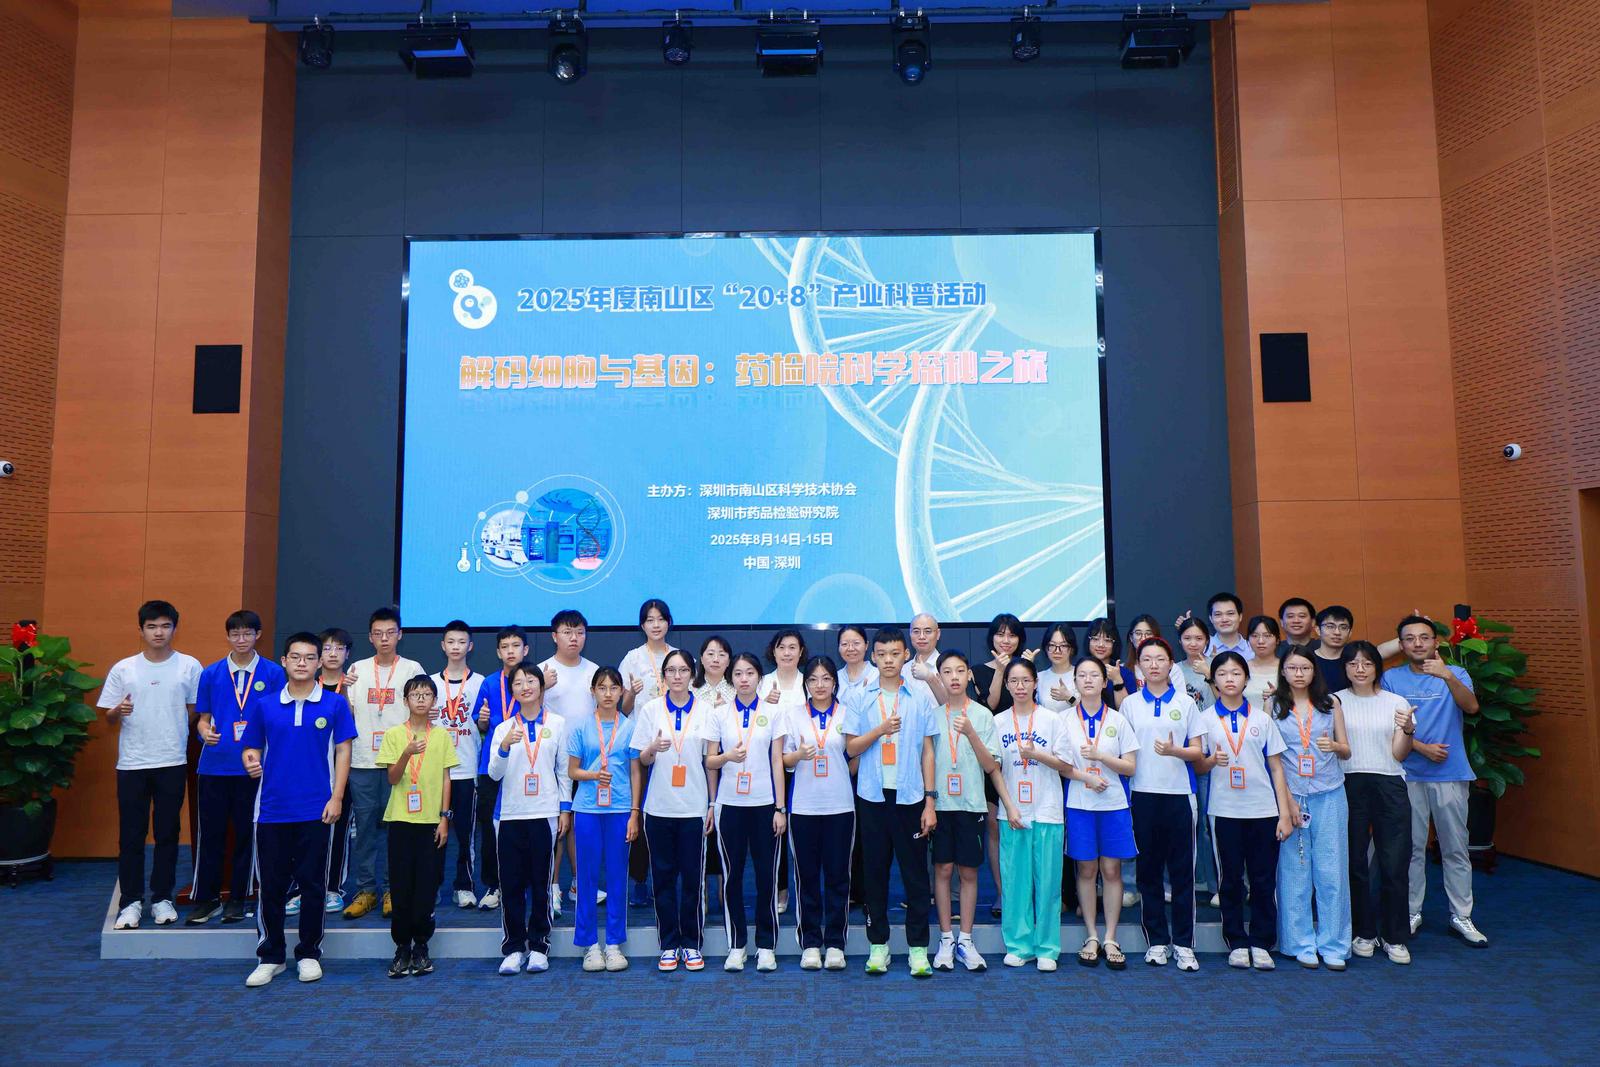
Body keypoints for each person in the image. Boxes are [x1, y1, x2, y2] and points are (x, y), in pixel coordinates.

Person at [242, 632, 355, 987]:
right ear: (284, 661)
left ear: (319, 662)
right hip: (271, 810)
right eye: (295, 657)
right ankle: (270, 956)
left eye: (309, 657)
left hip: (317, 810)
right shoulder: (264, 705)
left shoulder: (334, 704)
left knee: (313, 885)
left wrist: (337, 797)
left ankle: (308, 953)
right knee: (271, 887)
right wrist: (250, 760)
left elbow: (343, 751)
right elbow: (251, 747)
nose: (302, 663)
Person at [99, 599, 202, 930]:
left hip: (172, 760)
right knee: (131, 835)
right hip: (132, 764)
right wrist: (117, 712)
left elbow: (194, 711)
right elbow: (108, 717)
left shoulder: (189, 666)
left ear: (175, 628)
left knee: (167, 833)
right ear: (141, 630)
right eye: (152, 626)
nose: (159, 632)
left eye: (165, 626)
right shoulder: (124, 668)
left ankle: (162, 898)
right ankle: (130, 902)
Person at [1384, 615, 1487, 948]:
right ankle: (1411, 911)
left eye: (1424, 637)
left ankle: (1461, 916)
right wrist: (1422, 748)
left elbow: (1471, 707)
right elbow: (1385, 725)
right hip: (1407, 774)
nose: (1418, 643)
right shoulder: (1391, 678)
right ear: (1401, 645)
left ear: (1435, 642)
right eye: (1410, 638)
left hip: (1450, 774)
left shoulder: (1455, 673)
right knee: (1411, 848)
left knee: (1455, 848)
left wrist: (1446, 676)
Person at [843, 628, 940, 977]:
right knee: (874, 874)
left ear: (905, 656)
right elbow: (851, 747)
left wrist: (930, 801)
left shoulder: (920, 696)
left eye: (895, 654)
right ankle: (878, 945)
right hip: (872, 797)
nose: (888, 660)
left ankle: (918, 949)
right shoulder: (859, 696)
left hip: (911, 796)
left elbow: (928, 751)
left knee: (916, 876)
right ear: (873, 657)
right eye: (882, 654)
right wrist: (880, 730)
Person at [1196, 651, 1297, 970]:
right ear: (1213, 680)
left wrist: (1284, 813)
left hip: (1263, 810)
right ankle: (1236, 941)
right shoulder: (1204, 719)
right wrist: (1210, 761)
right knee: (1230, 879)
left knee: (1263, 878)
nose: (1229, 679)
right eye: (1222, 674)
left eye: (1236, 673)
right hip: (1224, 810)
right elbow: (1198, 766)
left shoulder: (1262, 719)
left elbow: (1277, 768)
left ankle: (1262, 942)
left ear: (1246, 679)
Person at [188, 609, 284, 926]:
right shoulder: (211, 674)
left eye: (247, 633)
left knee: (247, 835)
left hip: (253, 769)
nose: (241, 639)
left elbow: (278, 720)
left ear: (258, 635)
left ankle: (239, 899)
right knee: (210, 835)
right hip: (214, 766)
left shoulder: (273, 673)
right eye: (235, 634)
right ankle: (207, 898)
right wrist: (204, 731)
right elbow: (202, 718)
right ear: (227, 636)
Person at [1123, 638, 1207, 971]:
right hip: (1142, 795)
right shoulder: (1130, 704)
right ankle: (1157, 941)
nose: (1154, 664)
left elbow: (1198, 751)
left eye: (1160, 659)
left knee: (1183, 873)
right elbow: (1124, 752)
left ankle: (1184, 944)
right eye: (1147, 659)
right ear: (1139, 666)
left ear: (1171, 664)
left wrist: (1175, 751)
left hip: (1179, 796)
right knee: (1149, 873)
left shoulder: (1186, 703)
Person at [631, 648, 714, 973]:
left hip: (693, 807)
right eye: (671, 671)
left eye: (683, 670)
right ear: (663, 676)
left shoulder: (706, 710)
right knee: (663, 879)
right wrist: (652, 748)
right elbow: (642, 758)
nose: (677, 676)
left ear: (692, 674)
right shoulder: (651, 709)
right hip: (659, 808)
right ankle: (668, 944)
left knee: (693, 879)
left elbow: (710, 763)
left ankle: (691, 943)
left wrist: (711, 804)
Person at [488, 663, 572, 976]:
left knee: (541, 883)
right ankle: (513, 948)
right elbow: (494, 773)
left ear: (541, 685)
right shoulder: (503, 728)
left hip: (545, 813)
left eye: (531, 681)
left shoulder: (558, 724)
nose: (525, 687)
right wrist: (505, 747)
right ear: (512, 691)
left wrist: (565, 809)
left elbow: (563, 770)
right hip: (510, 815)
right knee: (510, 884)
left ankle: (539, 946)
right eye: (518, 683)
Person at [341, 607, 424, 920]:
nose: (384, 639)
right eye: (378, 633)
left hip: (398, 762)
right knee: (364, 830)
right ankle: (366, 890)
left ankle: (393, 889)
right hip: (363, 761)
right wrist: (342, 687)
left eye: (390, 633)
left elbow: (422, 711)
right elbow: (347, 712)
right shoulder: (357, 669)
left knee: (396, 831)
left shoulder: (412, 668)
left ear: (400, 634)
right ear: (370, 637)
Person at [1272, 645, 1352, 969]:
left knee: (1332, 869)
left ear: (1314, 671)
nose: (1299, 674)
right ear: (1283, 671)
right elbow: (1273, 760)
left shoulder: (1330, 703)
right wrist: (1286, 801)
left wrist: (1333, 745)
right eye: (1292, 668)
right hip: (1292, 796)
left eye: (1305, 668)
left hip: (1329, 793)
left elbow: (1346, 750)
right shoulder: (1273, 705)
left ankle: (1334, 944)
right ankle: (1299, 942)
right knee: (1295, 870)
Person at [708, 652, 789, 972]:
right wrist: (727, 757)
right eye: (738, 674)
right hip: (729, 806)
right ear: (731, 678)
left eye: (750, 673)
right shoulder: (719, 713)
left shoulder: (773, 712)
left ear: (759, 677)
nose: (744, 679)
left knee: (767, 876)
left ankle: (766, 946)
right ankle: (737, 945)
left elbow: (777, 762)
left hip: (765, 805)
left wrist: (780, 807)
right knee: (732, 877)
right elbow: (710, 761)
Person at [1060, 657, 1140, 970]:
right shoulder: (1064, 720)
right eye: (1082, 675)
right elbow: (1061, 766)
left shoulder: (1118, 720)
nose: (1089, 680)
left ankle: (1111, 937)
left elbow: (1130, 767)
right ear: (1075, 682)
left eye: (1095, 675)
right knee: (1086, 870)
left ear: (1104, 682)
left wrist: (1101, 756)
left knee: (1111, 870)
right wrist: (1086, 777)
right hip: (1079, 804)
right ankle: (1092, 935)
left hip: (1114, 805)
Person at [1339, 640, 1416, 964]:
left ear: (1377, 667)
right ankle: (1363, 931)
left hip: (1389, 783)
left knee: (1394, 862)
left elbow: (1399, 753)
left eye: (1367, 663)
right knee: (1354, 862)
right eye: (1353, 663)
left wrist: (1408, 730)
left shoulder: (1396, 702)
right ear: (1345, 668)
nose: (1360, 669)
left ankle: (1395, 936)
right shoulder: (1334, 702)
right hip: (1348, 783)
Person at [993, 658, 1071, 970]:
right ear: (1007, 685)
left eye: (1026, 680)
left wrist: (1036, 754)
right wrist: (1009, 805)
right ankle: (1019, 945)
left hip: (1048, 810)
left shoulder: (1052, 720)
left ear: (1035, 683)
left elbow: (1065, 765)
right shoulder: (998, 722)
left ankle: (1047, 949)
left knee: (1049, 884)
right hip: (1012, 813)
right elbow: (994, 770)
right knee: (1015, 883)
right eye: (1014, 681)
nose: (1020, 686)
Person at [377, 675, 457, 978]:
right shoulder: (394, 734)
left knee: (427, 885)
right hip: (400, 820)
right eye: (415, 694)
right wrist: (407, 753)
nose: (421, 699)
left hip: (431, 822)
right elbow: (392, 778)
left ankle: (421, 946)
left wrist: (444, 817)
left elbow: (446, 779)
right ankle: (402, 947)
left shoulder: (442, 736)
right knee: (401, 886)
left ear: (434, 701)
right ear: (405, 700)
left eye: (426, 694)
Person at [930, 651, 1003, 973]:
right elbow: (926, 761)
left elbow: (990, 766)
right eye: (947, 672)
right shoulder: (933, 716)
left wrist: (971, 732)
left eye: (960, 670)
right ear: (940, 678)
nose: (954, 677)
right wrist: (928, 801)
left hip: (972, 804)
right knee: (943, 869)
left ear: (969, 676)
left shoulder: (984, 715)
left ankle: (966, 940)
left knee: (969, 872)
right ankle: (946, 939)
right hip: (941, 805)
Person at [782, 655, 856, 971]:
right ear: (806, 684)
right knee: (807, 877)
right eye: (813, 679)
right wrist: (799, 754)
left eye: (826, 678)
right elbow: (784, 760)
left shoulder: (848, 713)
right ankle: (811, 943)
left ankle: (836, 943)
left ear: (835, 683)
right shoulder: (793, 715)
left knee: (839, 876)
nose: (820, 685)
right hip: (804, 807)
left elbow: (856, 755)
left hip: (840, 806)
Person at [567, 667, 638, 971]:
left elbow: (636, 772)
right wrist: (593, 775)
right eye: (602, 688)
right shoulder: (581, 727)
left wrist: (635, 812)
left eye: (613, 688)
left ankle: (613, 943)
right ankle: (589, 944)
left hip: (620, 809)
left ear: (622, 691)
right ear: (593, 691)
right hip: (587, 809)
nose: (608, 694)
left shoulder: (630, 727)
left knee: (618, 876)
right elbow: (572, 771)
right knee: (586, 877)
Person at [538, 611, 597, 916]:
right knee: (556, 825)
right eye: (567, 632)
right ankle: (552, 887)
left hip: (585, 760)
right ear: (554, 635)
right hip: (550, 760)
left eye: (580, 632)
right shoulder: (542, 671)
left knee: (579, 824)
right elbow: (524, 708)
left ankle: (578, 883)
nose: (574, 638)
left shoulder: (594, 671)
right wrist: (542, 687)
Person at [468, 625, 529, 914]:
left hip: (527, 765)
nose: (510, 651)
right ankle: (493, 885)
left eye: (516, 646)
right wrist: (482, 720)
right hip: (491, 766)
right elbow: (481, 725)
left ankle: (523, 884)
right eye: (505, 647)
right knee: (490, 829)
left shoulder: (532, 680)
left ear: (525, 650)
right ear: (498, 652)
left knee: (525, 828)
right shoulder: (489, 683)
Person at [431, 620, 484, 909]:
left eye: (461, 642)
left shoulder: (480, 683)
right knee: (433, 832)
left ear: (470, 646)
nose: (456, 647)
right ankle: (432, 885)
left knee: (465, 834)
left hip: (466, 768)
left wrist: (484, 722)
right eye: (450, 641)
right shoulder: (430, 683)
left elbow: (484, 726)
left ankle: (464, 885)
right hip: (434, 770)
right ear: (442, 645)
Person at [303, 627, 354, 915]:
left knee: (338, 831)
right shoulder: (306, 685)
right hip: (311, 768)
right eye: (327, 648)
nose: (333, 654)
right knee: (305, 831)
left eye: (339, 648)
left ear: (348, 654)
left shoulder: (355, 684)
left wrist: (348, 693)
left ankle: (333, 888)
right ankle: (301, 888)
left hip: (343, 768)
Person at [758, 630, 807, 916]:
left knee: (802, 832)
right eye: (781, 647)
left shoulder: (809, 682)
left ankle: (805, 889)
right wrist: (766, 704)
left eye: (792, 647)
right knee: (774, 830)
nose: (787, 653)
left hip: (806, 766)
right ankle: (780, 888)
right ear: (773, 652)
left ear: (801, 652)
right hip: (771, 767)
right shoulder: (762, 683)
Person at [1174, 617, 1219, 907]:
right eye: (1188, 638)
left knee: (1210, 821)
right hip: (1182, 753)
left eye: (1199, 638)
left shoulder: (1219, 666)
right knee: (1189, 822)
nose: (1193, 643)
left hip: (1213, 751)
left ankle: (1217, 885)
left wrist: (1210, 675)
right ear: (1180, 641)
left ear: (1207, 640)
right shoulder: (1173, 670)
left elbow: (1227, 699)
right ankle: (1192, 881)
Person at [620, 598, 675, 714]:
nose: (656, 625)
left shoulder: (679, 657)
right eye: (650, 620)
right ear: (643, 625)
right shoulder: (632, 658)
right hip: (642, 724)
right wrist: (632, 693)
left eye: (661, 619)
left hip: (674, 724)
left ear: (669, 622)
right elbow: (625, 710)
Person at [971, 613, 1028, 714]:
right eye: (1000, 635)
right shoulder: (978, 671)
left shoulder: (1027, 667)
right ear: (992, 637)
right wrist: (1000, 670)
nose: (1006, 641)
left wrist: (1026, 669)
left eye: (1012, 635)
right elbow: (991, 706)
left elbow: (1028, 704)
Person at [1310, 605, 1357, 693]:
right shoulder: (1307, 660)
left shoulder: (1356, 661)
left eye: (1343, 627)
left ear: (1350, 633)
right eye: (1330, 626)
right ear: (1318, 630)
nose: (1337, 632)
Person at [1034, 622, 1079, 713]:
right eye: (1052, 645)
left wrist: (1069, 698)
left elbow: (1087, 711)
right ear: (1046, 648)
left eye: (1063, 645)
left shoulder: (1081, 675)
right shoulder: (1039, 677)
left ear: (1072, 649)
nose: (1057, 651)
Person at [905, 612, 945, 706]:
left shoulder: (948, 667)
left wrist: (930, 678)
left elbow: (954, 707)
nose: (922, 637)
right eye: (916, 631)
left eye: (927, 631)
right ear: (910, 634)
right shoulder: (903, 670)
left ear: (938, 634)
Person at [1084, 618, 1125, 708]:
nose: (1101, 645)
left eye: (1107, 640)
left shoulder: (1125, 673)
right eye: (1096, 639)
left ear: (1115, 643)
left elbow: (1127, 710)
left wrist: (1117, 679)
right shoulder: (1080, 670)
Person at [835, 624, 879, 706]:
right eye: (844, 644)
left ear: (866, 645)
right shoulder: (835, 678)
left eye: (856, 643)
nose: (851, 648)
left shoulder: (878, 675)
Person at [1118, 615, 1161, 696]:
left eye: (1148, 633)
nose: (1143, 638)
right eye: (1138, 633)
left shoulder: (1170, 668)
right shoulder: (1122, 670)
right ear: (1131, 637)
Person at [1244, 616, 1282, 705]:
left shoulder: (1286, 668)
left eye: (1267, 636)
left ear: (1277, 640)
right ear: (1248, 639)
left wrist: (1280, 695)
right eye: (1254, 636)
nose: (1261, 641)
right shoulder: (1241, 668)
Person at [1203, 592, 1250, 659]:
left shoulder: (1252, 649)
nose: (1224, 619)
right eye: (1218, 614)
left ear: (1240, 617)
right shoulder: (1202, 648)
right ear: (1211, 619)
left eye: (1230, 613)